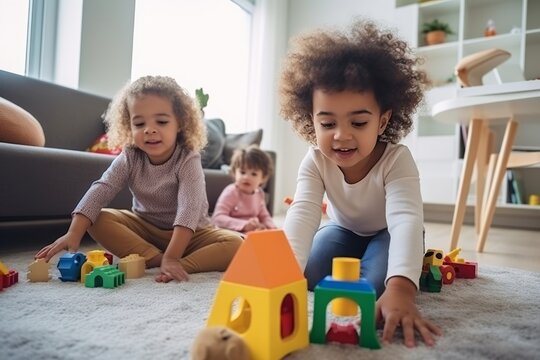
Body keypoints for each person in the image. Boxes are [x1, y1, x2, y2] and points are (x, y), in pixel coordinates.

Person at [279, 19, 442, 347]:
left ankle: (401, 272)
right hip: (344, 230)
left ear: (382, 120)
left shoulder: (397, 160)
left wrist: (401, 288)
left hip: (388, 233)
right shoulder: (315, 160)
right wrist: (284, 276)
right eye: (327, 122)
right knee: (310, 274)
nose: (341, 135)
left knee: (376, 288)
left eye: (358, 121)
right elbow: (303, 214)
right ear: (311, 119)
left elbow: (406, 221)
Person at [35, 75, 243, 283]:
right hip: (145, 229)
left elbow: (188, 209)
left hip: (192, 234)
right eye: (139, 123)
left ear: (180, 124)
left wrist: (173, 257)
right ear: (129, 126)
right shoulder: (130, 156)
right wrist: (73, 232)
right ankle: (156, 258)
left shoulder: (188, 158)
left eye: (161, 121)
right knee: (96, 218)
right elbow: (102, 188)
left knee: (235, 244)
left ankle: (177, 263)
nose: (149, 129)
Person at [211, 145, 276, 233]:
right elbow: (218, 218)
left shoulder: (259, 194)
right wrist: (244, 224)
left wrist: (270, 226)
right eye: (242, 172)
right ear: (234, 172)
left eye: (253, 174)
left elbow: (265, 216)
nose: (246, 177)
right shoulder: (231, 192)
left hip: (250, 233)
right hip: (231, 232)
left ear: (263, 178)